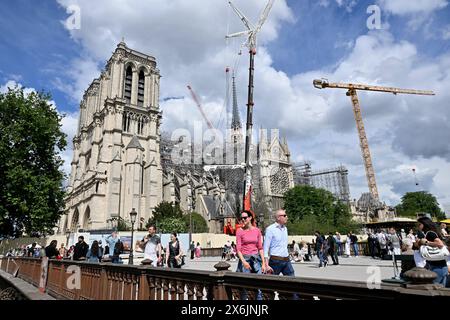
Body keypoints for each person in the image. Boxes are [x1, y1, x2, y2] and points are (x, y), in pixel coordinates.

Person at [415, 217, 448, 286]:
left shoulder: (430, 233)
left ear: (424, 224)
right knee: (440, 290)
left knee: (436, 290)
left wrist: (426, 242)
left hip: (436, 267)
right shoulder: (431, 232)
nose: (418, 226)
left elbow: (440, 244)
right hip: (440, 266)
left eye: (419, 224)